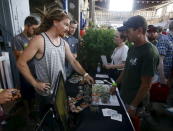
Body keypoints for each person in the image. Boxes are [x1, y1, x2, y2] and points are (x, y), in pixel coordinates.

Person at [17, 8, 94, 129]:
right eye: (66, 24)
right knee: (48, 126)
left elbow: (73, 61)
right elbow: (21, 63)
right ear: (55, 22)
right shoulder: (39, 40)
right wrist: (35, 83)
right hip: (45, 95)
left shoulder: (63, 43)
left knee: (60, 123)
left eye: (69, 25)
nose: (68, 28)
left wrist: (85, 74)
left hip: (60, 92)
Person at [116, 16, 159, 119]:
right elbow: (126, 69)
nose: (126, 34)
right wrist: (115, 84)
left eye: (128, 31)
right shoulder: (132, 47)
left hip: (135, 104)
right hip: (124, 96)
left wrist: (133, 106)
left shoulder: (149, 53)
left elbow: (146, 85)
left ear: (139, 30)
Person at [12, 16, 40, 120]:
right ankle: (28, 114)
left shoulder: (35, 37)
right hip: (25, 72)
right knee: (26, 94)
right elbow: (19, 56)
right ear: (26, 26)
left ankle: (35, 111)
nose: (35, 31)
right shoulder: (17, 39)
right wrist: (35, 51)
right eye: (33, 28)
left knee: (36, 92)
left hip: (36, 70)